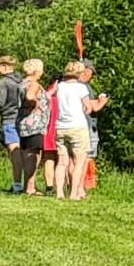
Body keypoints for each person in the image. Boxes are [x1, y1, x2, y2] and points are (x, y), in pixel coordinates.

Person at [47, 58, 104, 199]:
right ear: (79, 73)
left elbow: (48, 95)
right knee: (79, 161)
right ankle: (74, 193)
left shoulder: (60, 86)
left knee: (62, 162)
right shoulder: (81, 88)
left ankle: (59, 193)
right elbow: (89, 108)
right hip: (78, 126)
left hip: (61, 126)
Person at [0, 55, 28, 192]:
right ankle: (26, 184)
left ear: (5, 66)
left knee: (14, 152)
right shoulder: (21, 81)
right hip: (23, 120)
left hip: (9, 119)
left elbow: (1, 104)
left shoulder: (4, 82)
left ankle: (17, 185)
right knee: (24, 152)